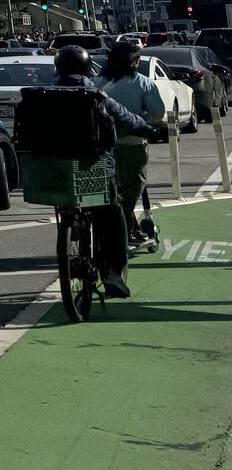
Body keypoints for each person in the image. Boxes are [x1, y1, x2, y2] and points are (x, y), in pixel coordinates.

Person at [51, 43, 156, 299]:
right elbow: (126, 117)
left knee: (69, 210)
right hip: (94, 168)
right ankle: (114, 274)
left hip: (54, 172)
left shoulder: (43, 94)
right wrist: (145, 128)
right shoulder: (94, 94)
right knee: (113, 215)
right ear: (87, 68)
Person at [98, 38, 166, 248]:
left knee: (111, 189)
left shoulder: (96, 82)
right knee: (132, 190)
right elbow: (157, 113)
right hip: (132, 143)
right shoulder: (143, 83)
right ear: (134, 62)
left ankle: (128, 227)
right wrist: (144, 121)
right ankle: (123, 228)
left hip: (101, 147)